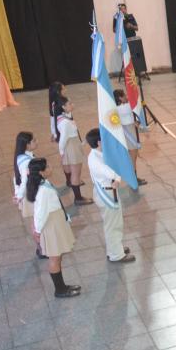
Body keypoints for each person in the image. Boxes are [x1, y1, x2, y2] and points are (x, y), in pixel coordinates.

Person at [27, 158, 81, 298]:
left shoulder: (44, 183)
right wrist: (37, 231)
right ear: (41, 172)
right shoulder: (43, 190)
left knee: (58, 257)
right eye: (48, 166)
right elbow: (40, 213)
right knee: (55, 258)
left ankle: (62, 286)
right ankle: (60, 290)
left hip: (55, 221)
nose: (51, 167)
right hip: (51, 225)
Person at [86, 129, 136, 263]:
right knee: (113, 225)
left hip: (108, 191)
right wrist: (118, 177)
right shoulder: (95, 159)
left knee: (114, 223)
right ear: (99, 142)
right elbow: (113, 172)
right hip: (106, 194)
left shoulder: (98, 154)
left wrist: (117, 178)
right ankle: (116, 255)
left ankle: (115, 248)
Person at [56, 97, 92, 205]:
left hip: (72, 145)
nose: (72, 105)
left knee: (73, 173)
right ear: (63, 107)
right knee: (76, 174)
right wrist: (61, 153)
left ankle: (76, 194)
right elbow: (63, 139)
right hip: (71, 147)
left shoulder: (62, 117)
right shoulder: (65, 122)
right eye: (69, 104)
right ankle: (78, 198)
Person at [13, 132, 42, 257]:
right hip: (31, 193)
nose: (37, 142)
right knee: (37, 221)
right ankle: (40, 249)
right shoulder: (25, 161)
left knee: (37, 220)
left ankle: (41, 247)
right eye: (34, 140)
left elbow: (16, 177)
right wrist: (19, 196)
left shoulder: (22, 156)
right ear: (27, 144)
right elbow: (24, 180)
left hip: (30, 191)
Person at [112, 90, 146, 187]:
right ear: (120, 98)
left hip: (128, 129)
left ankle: (133, 177)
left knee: (132, 157)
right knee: (132, 157)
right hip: (129, 131)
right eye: (124, 95)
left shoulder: (118, 107)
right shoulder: (125, 107)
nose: (127, 96)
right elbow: (136, 104)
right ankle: (133, 179)